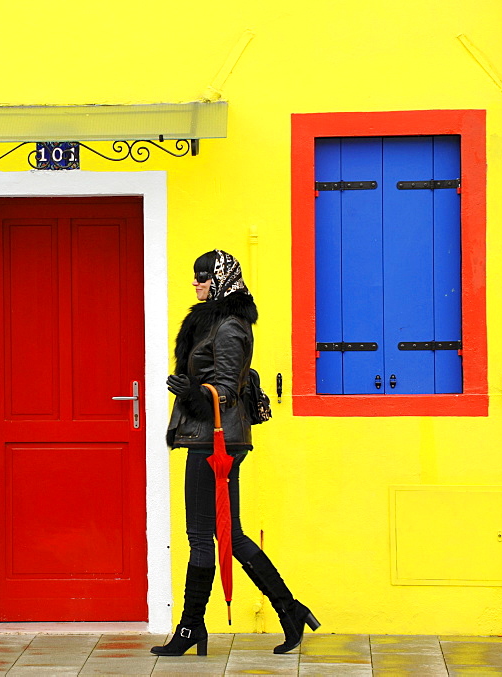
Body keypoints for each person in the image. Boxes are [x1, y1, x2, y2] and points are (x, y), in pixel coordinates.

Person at [151, 249, 319, 657]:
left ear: (221, 279)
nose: (195, 283)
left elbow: (225, 392)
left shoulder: (229, 327)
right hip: (211, 438)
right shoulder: (217, 322)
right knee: (231, 535)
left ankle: (191, 629)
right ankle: (290, 610)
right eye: (195, 277)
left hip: (213, 441)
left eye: (203, 276)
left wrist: (191, 392)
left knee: (201, 536)